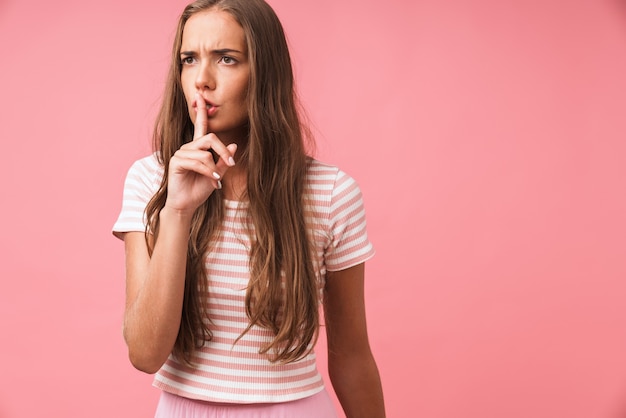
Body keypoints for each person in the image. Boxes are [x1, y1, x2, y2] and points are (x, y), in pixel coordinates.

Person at [112, 0, 385, 416]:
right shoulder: (152, 179)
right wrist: (178, 210)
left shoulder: (330, 192)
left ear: (264, 72)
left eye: (227, 59)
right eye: (189, 59)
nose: (201, 80)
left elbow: (351, 356)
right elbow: (145, 353)